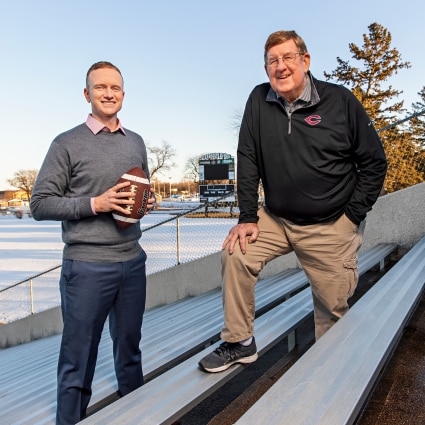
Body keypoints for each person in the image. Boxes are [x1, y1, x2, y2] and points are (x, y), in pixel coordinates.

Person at [198, 30, 387, 373]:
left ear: (305, 61)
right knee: (235, 253)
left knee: (332, 314)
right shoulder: (258, 99)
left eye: (287, 58)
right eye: (273, 61)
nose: (280, 67)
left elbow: (374, 162)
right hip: (277, 219)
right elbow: (248, 158)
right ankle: (240, 342)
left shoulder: (340, 101)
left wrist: (351, 217)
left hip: (330, 224)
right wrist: (247, 216)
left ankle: (331, 374)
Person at [30, 61, 154, 424]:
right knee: (78, 359)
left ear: (124, 95)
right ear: (87, 94)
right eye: (100, 87)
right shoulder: (65, 143)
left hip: (132, 262)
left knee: (130, 351)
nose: (109, 93)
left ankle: (140, 416)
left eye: (115, 88)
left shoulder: (136, 141)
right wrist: (93, 204)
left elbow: (136, 195)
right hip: (86, 267)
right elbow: (39, 203)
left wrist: (146, 202)